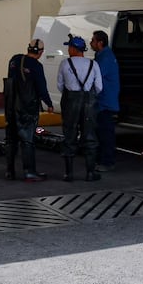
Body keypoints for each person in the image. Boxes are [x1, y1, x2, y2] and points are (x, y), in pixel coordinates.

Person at [4, 38, 55, 182]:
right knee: (27, 140)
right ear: (40, 52)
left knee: (11, 139)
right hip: (27, 106)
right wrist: (49, 104)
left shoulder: (14, 60)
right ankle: (29, 172)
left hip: (10, 105)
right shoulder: (37, 66)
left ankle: (10, 171)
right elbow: (41, 88)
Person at [57, 35, 103, 182]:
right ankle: (90, 173)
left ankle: (68, 174)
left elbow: (60, 86)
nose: (68, 49)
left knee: (69, 136)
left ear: (73, 48)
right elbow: (99, 87)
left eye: (69, 47)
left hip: (71, 102)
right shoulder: (93, 64)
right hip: (89, 103)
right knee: (89, 137)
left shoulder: (65, 64)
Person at [90, 30, 120, 172]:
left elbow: (95, 76)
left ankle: (107, 162)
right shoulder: (103, 55)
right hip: (104, 100)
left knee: (105, 133)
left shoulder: (105, 58)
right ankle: (101, 159)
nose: (91, 43)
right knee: (102, 132)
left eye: (93, 41)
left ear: (100, 43)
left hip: (105, 102)